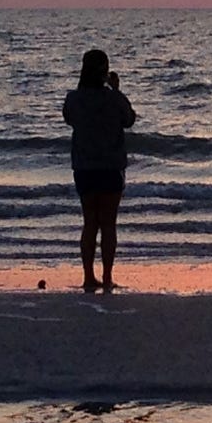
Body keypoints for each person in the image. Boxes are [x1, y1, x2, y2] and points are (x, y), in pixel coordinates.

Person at [62, 49, 137, 292]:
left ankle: (88, 277)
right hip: (111, 166)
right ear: (105, 71)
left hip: (84, 166)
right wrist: (116, 89)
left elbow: (69, 119)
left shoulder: (73, 98)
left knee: (90, 223)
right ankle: (106, 277)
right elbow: (129, 119)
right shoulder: (113, 99)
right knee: (108, 223)